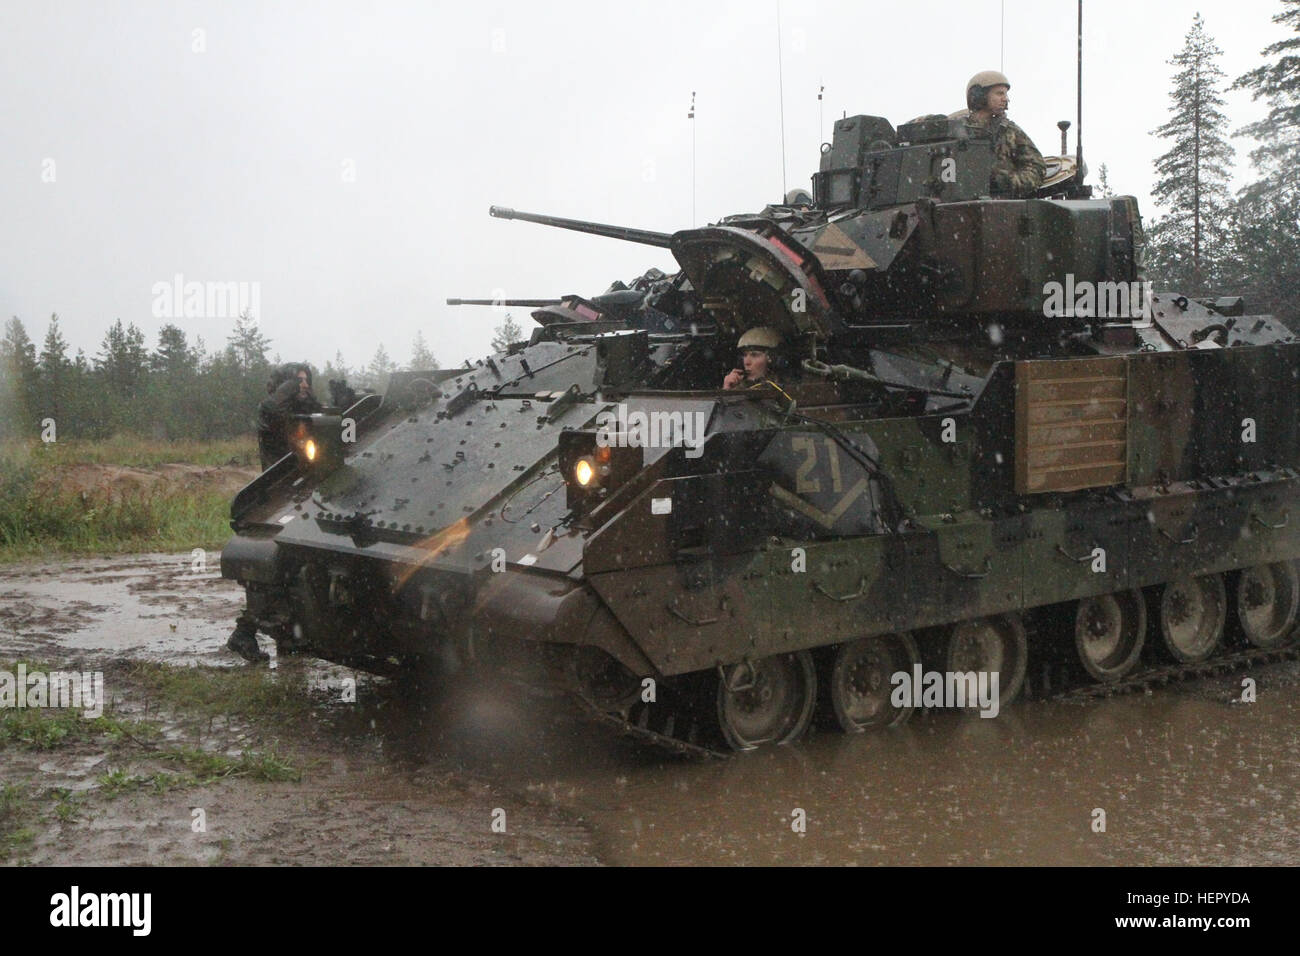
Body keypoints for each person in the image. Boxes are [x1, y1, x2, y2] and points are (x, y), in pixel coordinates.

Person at [950, 70, 1045, 198]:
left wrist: (1007, 182)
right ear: (979, 95)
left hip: (999, 206)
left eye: (1006, 94)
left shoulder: (1010, 132)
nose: (1005, 99)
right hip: (958, 201)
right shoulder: (955, 128)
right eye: (999, 93)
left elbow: (1037, 168)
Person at [256, 363, 321, 470]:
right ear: (285, 384)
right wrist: (286, 391)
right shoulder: (267, 409)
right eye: (299, 381)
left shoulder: (306, 407)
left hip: (311, 475)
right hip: (281, 477)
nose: (305, 385)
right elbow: (272, 410)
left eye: (306, 380)